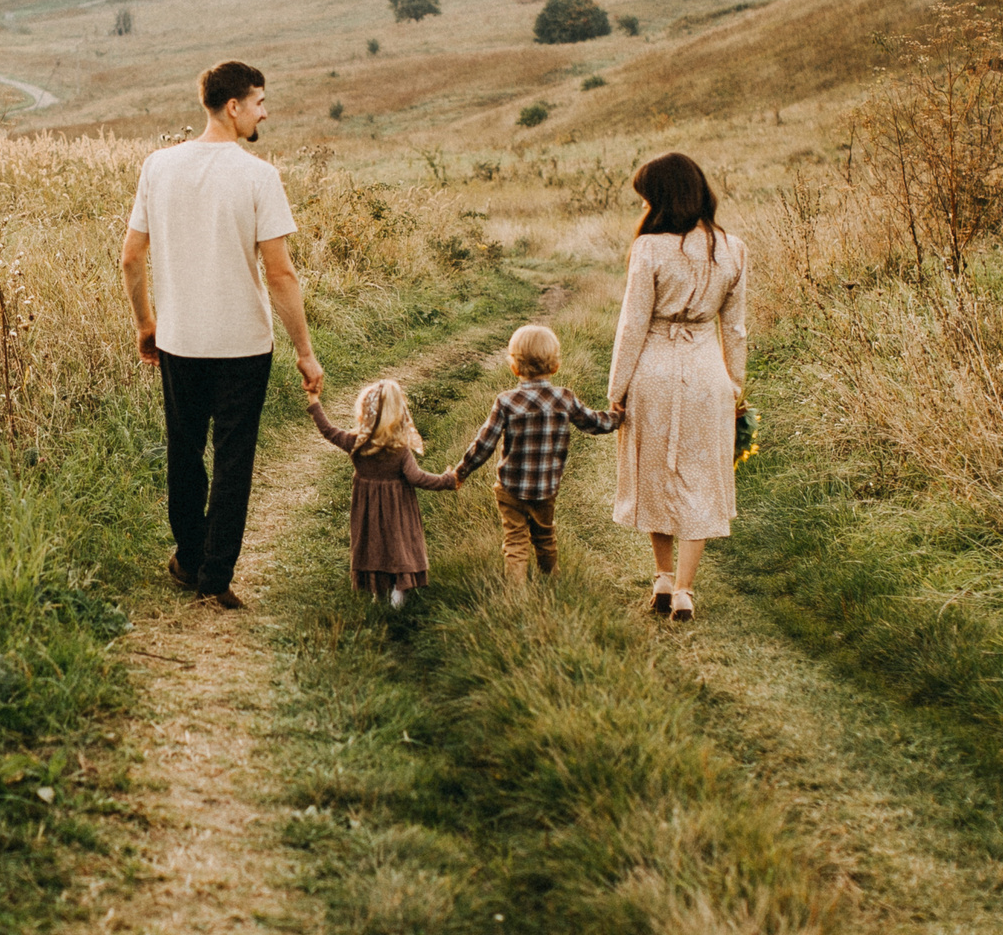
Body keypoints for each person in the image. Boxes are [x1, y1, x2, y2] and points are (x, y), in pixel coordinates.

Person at [121, 60, 324, 610]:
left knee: (184, 452)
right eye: (259, 101)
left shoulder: (158, 167)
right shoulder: (259, 176)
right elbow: (280, 274)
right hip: (243, 345)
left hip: (180, 340)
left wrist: (146, 324)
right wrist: (306, 352)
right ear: (233, 107)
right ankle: (214, 577)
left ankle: (188, 557)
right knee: (234, 458)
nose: (265, 111)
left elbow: (131, 257)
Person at [606, 152, 748, 623]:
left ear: (662, 197)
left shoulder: (649, 248)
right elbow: (737, 329)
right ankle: (685, 590)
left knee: (654, 472)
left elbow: (633, 325)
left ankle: (663, 577)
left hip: (654, 370)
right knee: (701, 475)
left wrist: (617, 387)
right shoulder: (733, 248)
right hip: (709, 374)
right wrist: (735, 385)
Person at [451, 324, 621, 584]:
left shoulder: (506, 402)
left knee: (515, 541)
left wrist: (461, 471)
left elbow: (484, 444)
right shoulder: (564, 399)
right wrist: (617, 416)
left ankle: (517, 593)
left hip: (510, 488)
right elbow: (594, 423)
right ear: (555, 366)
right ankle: (551, 580)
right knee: (545, 536)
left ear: (514, 367)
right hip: (546, 488)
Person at [310, 378, 458, 608]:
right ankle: (399, 591)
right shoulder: (399, 450)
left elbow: (328, 431)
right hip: (398, 509)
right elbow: (417, 478)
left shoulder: (357, 443)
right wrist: (447, 480)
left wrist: (314, 401)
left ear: (365, 412)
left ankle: (376, 590)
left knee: (372, 544)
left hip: (367, 508)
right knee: (398, 545)